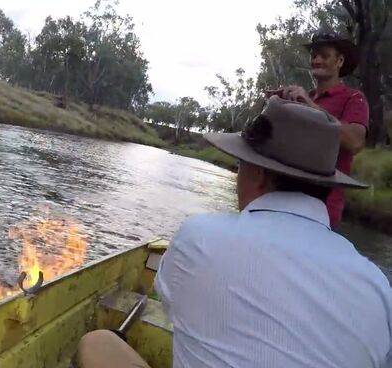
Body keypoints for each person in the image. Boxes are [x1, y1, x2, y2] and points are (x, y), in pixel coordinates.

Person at [154, 96, 391, 367]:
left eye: (241, 163)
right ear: (327, 185)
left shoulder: (197, 236)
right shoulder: (378, 288)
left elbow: (170, 303)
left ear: (257, 173)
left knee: (102, 342)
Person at [274, 30, 369, 229]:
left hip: (323, 210)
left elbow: (354, 142)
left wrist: (310, 106)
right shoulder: (304, 98)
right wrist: (279, 106)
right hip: (284, 200)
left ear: (340, 61)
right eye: (314, 56)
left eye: (324, 55)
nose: (316, 60)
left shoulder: (354, 98)